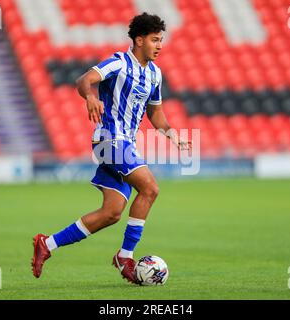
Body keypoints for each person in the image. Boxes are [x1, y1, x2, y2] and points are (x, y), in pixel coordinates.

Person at [31, 12, 191, 283]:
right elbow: (84, 80)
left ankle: (47, 244)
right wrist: (90, 97)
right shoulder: (119, 63)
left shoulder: (155, 74)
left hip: (125, 143)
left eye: (161, 40)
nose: (159, 45)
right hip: (109, 138)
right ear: (139, 40)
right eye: (154, 40)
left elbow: (156, 114)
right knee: (150, 188)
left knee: (112, 212)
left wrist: (173, 135)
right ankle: (125, 256)